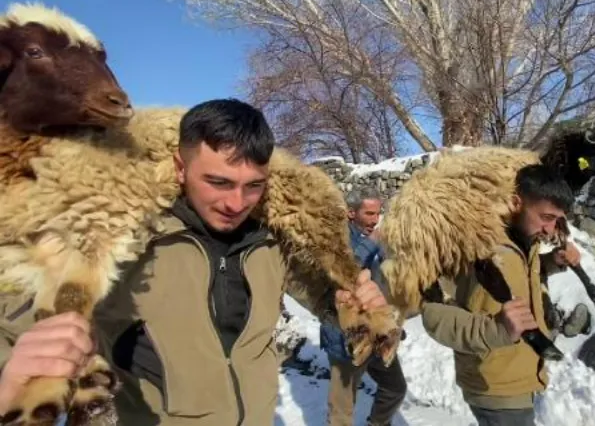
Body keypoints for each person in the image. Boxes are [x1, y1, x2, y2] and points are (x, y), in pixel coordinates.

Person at [0, 98, 388, 425]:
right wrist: (9, 375)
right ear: (180, 167)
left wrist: (352, 303)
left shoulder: (272, 240)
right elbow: (18, 321)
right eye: (218, 182)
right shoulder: (120, 240)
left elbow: (325, 300)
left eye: (253, 185)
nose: (236, 203)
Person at [420, 164, 581, 425]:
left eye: (557, 220)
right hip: (495, 387)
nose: (551, 230)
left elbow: (514, 280)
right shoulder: (472, 246)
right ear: (516, 203)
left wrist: (553, 261)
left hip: (521, 375)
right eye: (546, 217)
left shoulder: (523, 239)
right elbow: (433, 313)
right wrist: (497, 330)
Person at [319, 188, 407, 426]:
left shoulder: (374, 237)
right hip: (345, 336)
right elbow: (343, 273)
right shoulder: (336, 237)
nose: (375, 219)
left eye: (378, 213)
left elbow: (386, 272)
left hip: (377, 331)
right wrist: (372, 242)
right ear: (350, 213)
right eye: (368, 213)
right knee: (341, 411)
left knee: (395, 388)